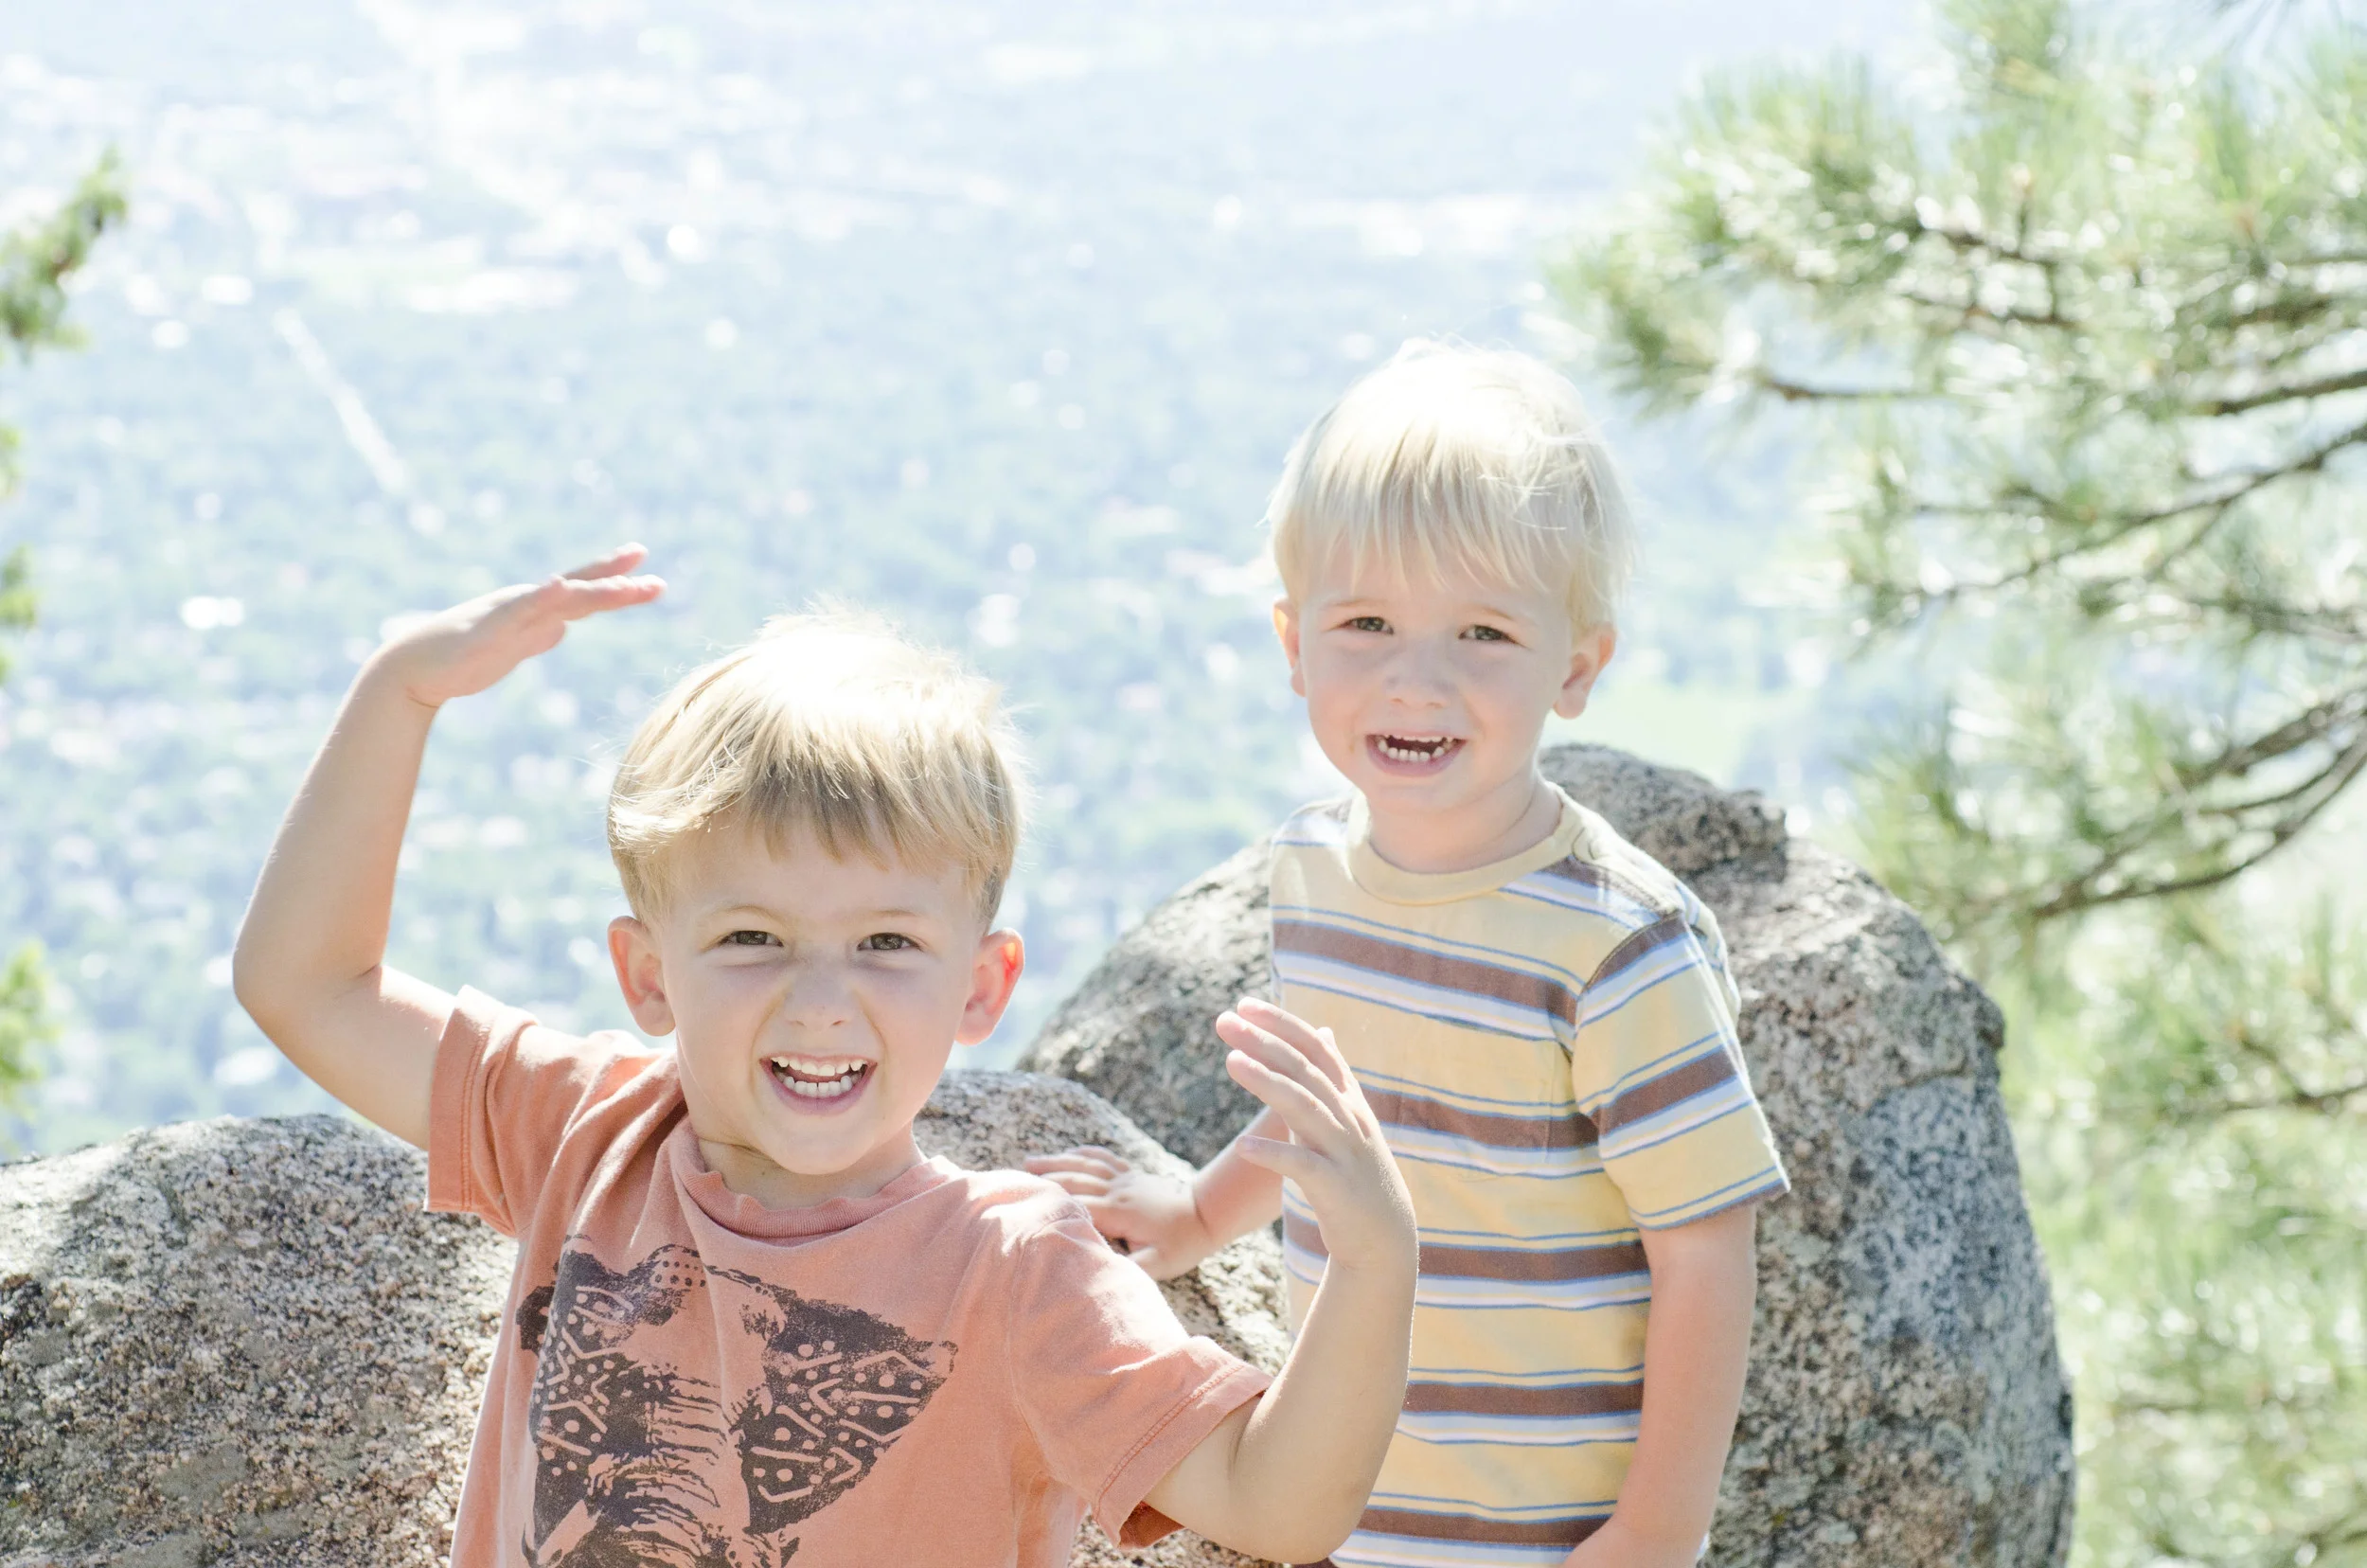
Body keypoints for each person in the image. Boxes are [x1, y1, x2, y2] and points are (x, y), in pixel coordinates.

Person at [231, 546, 1418, 1568]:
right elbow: (306, 986)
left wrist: (1375, 1263)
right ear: (649, 975)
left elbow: (1276, 1504)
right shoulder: (589, 1135)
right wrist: (401, 692)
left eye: (886, 944)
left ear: (981, 987)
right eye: (751, 939)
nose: (819, 1004)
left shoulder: (1011, 1276)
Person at [1028, 344, 1790, 1568]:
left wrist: (1656, 1529)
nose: (1414, 678)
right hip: (1350, 1499)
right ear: (1294, 643)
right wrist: (1196, 1215)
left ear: (1576, 666)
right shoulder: (1313, 874)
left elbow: (1707, 1251)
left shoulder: (1616, 940)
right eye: (1366, 622)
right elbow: (1338, 1112)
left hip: (1548, 1533)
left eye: (1482, 631)